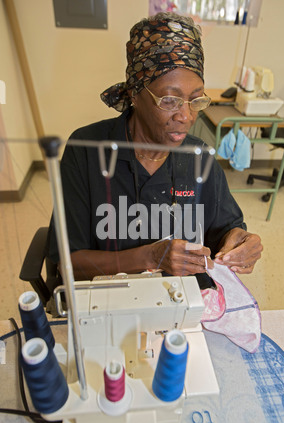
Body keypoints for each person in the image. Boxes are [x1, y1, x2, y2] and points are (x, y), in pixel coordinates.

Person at [47, 12, 263, 282]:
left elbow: (226, 229)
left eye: (196, 100)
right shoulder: (87, 152)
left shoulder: (198, 159)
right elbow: (68, 262)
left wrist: (240, 242)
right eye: (170, 100)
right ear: (135, 94)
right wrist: (150, 257)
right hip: (110, 302)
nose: (186, 116)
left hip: (184, 304)